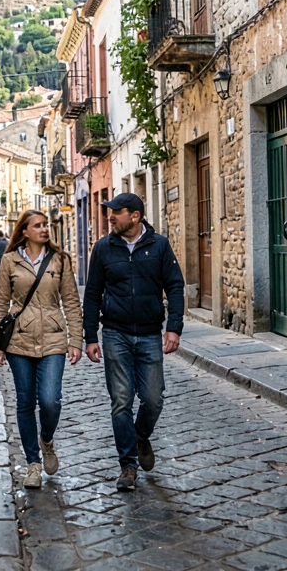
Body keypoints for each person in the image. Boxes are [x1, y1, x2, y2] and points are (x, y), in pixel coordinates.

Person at [82, 193, 185, 492]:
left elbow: (175, 286)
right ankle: (127, 465)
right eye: (110, 212)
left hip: (151, 334)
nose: (110, 217)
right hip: (115, 333)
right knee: (121, 402)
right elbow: (92, 295)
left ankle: (141, 435)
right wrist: (91, 336)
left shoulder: (159, 246)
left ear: (135, 216)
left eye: (117, 212)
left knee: (153, 399)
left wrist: (174, 328)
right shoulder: (103, 248)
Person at [0, 210, 82, 489]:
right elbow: (0, 303)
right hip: (19, 340)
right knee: (25, 402)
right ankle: (33, 463)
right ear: (25, 231)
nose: (45, 229)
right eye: (38, 225)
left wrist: (75, 340)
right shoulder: (9, 260)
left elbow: (71, 301)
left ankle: (47, 439)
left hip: (54, 338)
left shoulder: (61, 260)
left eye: (46, 225)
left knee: (51, 400)